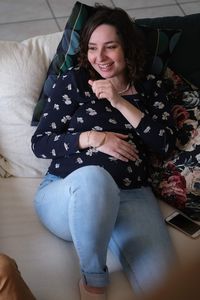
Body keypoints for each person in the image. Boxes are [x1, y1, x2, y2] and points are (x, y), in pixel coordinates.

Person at [31, 4, 177, 300]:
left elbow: (164, 143)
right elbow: (41, 143)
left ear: (128, 48)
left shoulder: (150, 88)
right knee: (94, 179)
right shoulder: (74, 81)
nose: (100, 58)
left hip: (132, 195)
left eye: (110, 47)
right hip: (67, 191)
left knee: (168, 286)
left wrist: (120, 101)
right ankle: (94, 282)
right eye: (93, 48)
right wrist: (94, 138)